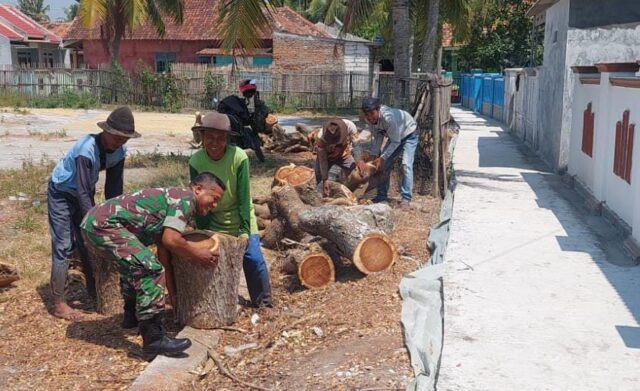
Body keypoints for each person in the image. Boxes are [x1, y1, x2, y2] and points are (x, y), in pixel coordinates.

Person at [80, 173, 226, 360]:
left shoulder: (175, 200)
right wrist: (198, 253)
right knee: (150, 269)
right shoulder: (185, 200)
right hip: (102, 225)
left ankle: (131, 315)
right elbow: (172, 240)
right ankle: (154, 341)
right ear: (197, 189)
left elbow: (164, 249)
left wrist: (172, 294)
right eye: (214, 199)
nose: (215, 205)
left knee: (137, 265)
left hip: (93, 223)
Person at [47, 106, 139, 321]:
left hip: (82, 191)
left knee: (89, 243)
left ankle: (94, 291)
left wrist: (116, 217)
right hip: (61, 192)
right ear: (106, 131)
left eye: (125, 138)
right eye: (117, 137)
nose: (120, 141)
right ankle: (59, 303)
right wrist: (93, 221)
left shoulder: (120, 151)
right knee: (63, 245)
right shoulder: (85, 149)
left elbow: (114, 189)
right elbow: (82, 190)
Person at [188, 111, 273, 308]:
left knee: (253, 258)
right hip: (213, 219)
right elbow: (198, 202)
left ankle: (265, 303)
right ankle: (216, 303)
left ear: (227, 139)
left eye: (220, 138)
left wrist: (244, 230)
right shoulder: (195, 161)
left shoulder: (239, 157)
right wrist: (203, 231)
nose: (215, 142)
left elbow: (244, 198)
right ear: (202, 138)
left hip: (240, 216)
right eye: (210, 137)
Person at [356, 97, 418, 209]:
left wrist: (382, 157)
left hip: (409, 134)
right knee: (383, 166)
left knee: (406, 165)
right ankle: (381, 196)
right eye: (367, 114)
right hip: (395, 136)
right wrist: (374, 156)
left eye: (372, 113)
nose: (370, 117)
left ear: (378, 109)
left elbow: (396, 141)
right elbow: (378, 137)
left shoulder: (388, 118)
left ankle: (406, 199)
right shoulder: (370, 120)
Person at [314, 117, 360, 197]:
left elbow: (357, 146)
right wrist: (325, 180)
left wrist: (359, 161)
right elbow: (323, 160)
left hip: (344, 154)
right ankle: (318, 197)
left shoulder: (350, 126)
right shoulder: (320, 138)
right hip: (326, 157)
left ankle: (351, 196)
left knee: (355, 174)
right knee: (318, 177)